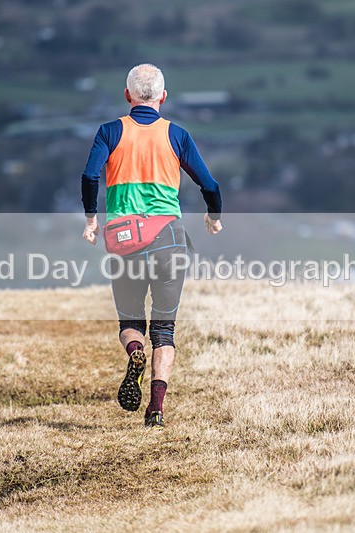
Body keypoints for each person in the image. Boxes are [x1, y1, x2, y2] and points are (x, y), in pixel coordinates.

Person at [80, 63, 222, 430]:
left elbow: (89, 175)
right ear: (163, 97)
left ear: (127, 96)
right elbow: (209, 184)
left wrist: (91, 219)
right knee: (165, 329)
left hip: (124, 240)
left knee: (130, 321)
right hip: (168, 239)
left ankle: (134, 351)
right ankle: (156, 410)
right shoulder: (176, 135)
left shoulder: (110, 132)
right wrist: (214, 215)